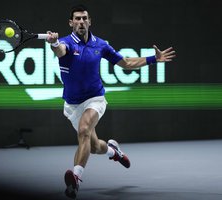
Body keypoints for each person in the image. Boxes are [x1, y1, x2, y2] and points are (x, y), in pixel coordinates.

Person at [46, 4, 176, 199]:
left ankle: (75, 180)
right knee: (96, 146)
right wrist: (54, 43)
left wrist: (153, 59)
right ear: (71, 23)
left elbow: (126, 63)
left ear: (89, 21)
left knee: (83, 130)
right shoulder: (66, 43)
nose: (81, 22)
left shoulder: (101, 45)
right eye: (77, 19)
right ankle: (113, 151)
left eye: (84, 18)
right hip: (72, 104)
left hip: (95, 99)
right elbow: (60, 51)